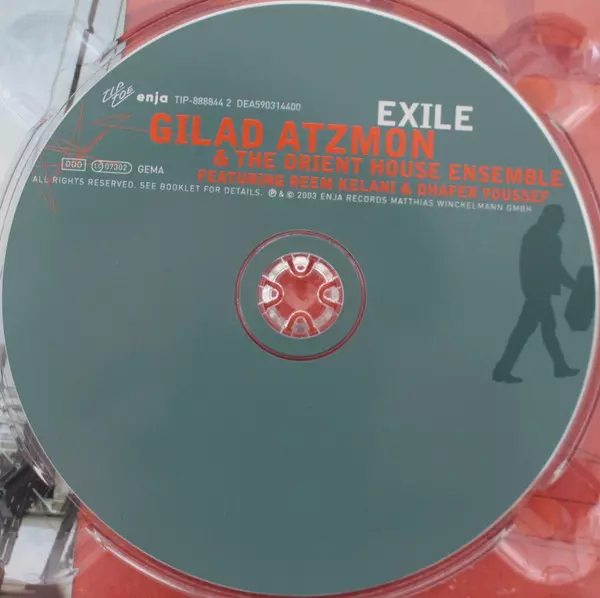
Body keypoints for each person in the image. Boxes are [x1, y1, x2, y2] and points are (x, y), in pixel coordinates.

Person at [493, 204, 579, 383]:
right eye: (560, 218)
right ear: (551, 218)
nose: (563, 221)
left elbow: (554, 267)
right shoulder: (542, 237)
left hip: (538, 292)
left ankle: (503, 370)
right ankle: (559, 367)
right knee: (543, 330)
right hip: (537, 293)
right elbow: (552, 268)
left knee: (531, 331)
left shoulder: (542, 236)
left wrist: (572, 285)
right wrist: (573, 285)